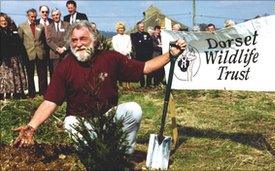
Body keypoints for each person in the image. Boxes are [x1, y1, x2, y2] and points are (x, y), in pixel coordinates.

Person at [12, 20, 186, 155]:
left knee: (134, 109)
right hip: (82, 122)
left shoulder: (110, 58)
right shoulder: (65, 66)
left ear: (93, 39)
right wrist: (32, 126)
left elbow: (145, 68)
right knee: (69, 122)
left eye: (83, 38)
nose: (78, 43)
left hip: (108, 118)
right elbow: (51, 101)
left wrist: (170, 54)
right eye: (74, 40)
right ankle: (92, 155)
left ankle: (122, 154)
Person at [18, 8, 48, 98]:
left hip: (40, 53)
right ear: (27, 16)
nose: (33, 18)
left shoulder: (40, 26)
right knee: (30, 75)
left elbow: (44, 40)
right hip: (28, 54)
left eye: (35, 17)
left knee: (42, 74)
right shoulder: (22, 26)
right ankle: (32, 94)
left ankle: (43, 93)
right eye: (31, 17)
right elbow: (19, 41)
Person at [0, 13, 27, 100]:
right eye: (1, 21)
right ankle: (3, 97)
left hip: (14, 58)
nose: (3, 22)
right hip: (3, 59)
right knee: (4, 79)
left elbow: (19, 44)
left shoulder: (12, 31)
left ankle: (16, 94)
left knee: (15, 77)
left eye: (5, 20)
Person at [46, 8, 70, 77]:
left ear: (60, 15)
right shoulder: (48, 27)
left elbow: (69, 38)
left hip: (65, 54)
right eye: (53, 15)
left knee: (67, 74)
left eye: (57, 14)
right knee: (56, 75)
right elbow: (48, 40)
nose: (55, 16)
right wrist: (57, 49)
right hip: (54, 54)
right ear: (52, 17)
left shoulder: (67, 25)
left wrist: (64, 48)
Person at [130, 21, 153, 88]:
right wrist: (144, 42)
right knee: (141, 71)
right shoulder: (134, 35)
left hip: (148, 55)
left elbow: (150, 44)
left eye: (143, 27)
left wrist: (142, 42)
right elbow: (136, 45)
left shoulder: (147, 34)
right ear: (138, 27)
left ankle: (148, 84)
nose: (142, 28)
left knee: (150, 70)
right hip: (139, 56)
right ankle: (142, 85)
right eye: (141, 27)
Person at [112, 21, 132, 90]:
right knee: (120, 71)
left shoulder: (128, 37)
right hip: (119, 56)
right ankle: (121, 85)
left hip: (127, 56)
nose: (121, 30)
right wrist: (121, 54)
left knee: (128, 71)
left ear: (124, 29)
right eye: (120, 28)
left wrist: (127, 52)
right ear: (117, 29)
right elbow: (115, 47)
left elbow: (130, 46)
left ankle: (128, 85)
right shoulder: (114, 38)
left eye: (122, 28)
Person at [36, 5, 53, 82]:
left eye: (46, 12)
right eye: (43, 12)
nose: (45, 13)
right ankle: (43, 91)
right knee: (42, 72)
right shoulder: (36, 22)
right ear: (40, 12)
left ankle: (53, 89)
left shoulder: (52, 22)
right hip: (40, 50)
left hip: (51, 50)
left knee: (52, 70)